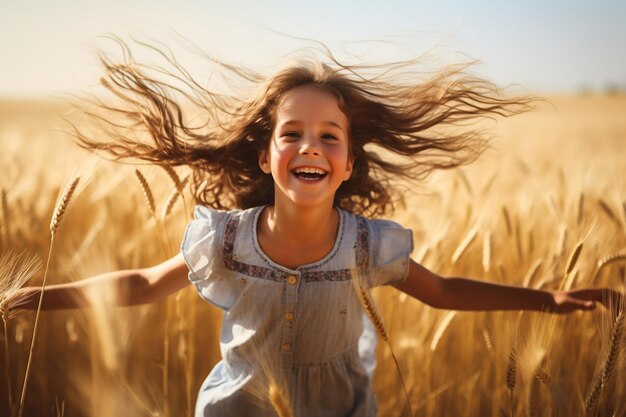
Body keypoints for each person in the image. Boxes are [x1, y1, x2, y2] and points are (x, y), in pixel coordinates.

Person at [6, 45, 622, 417]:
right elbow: (142, 283)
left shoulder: (366, 245)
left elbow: (446, 292)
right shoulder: (225, 240)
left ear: (348, 164)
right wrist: (31, 298)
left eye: (330, 135)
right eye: (292, 133)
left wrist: (549, 299)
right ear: (266, 156)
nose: (311, 145)